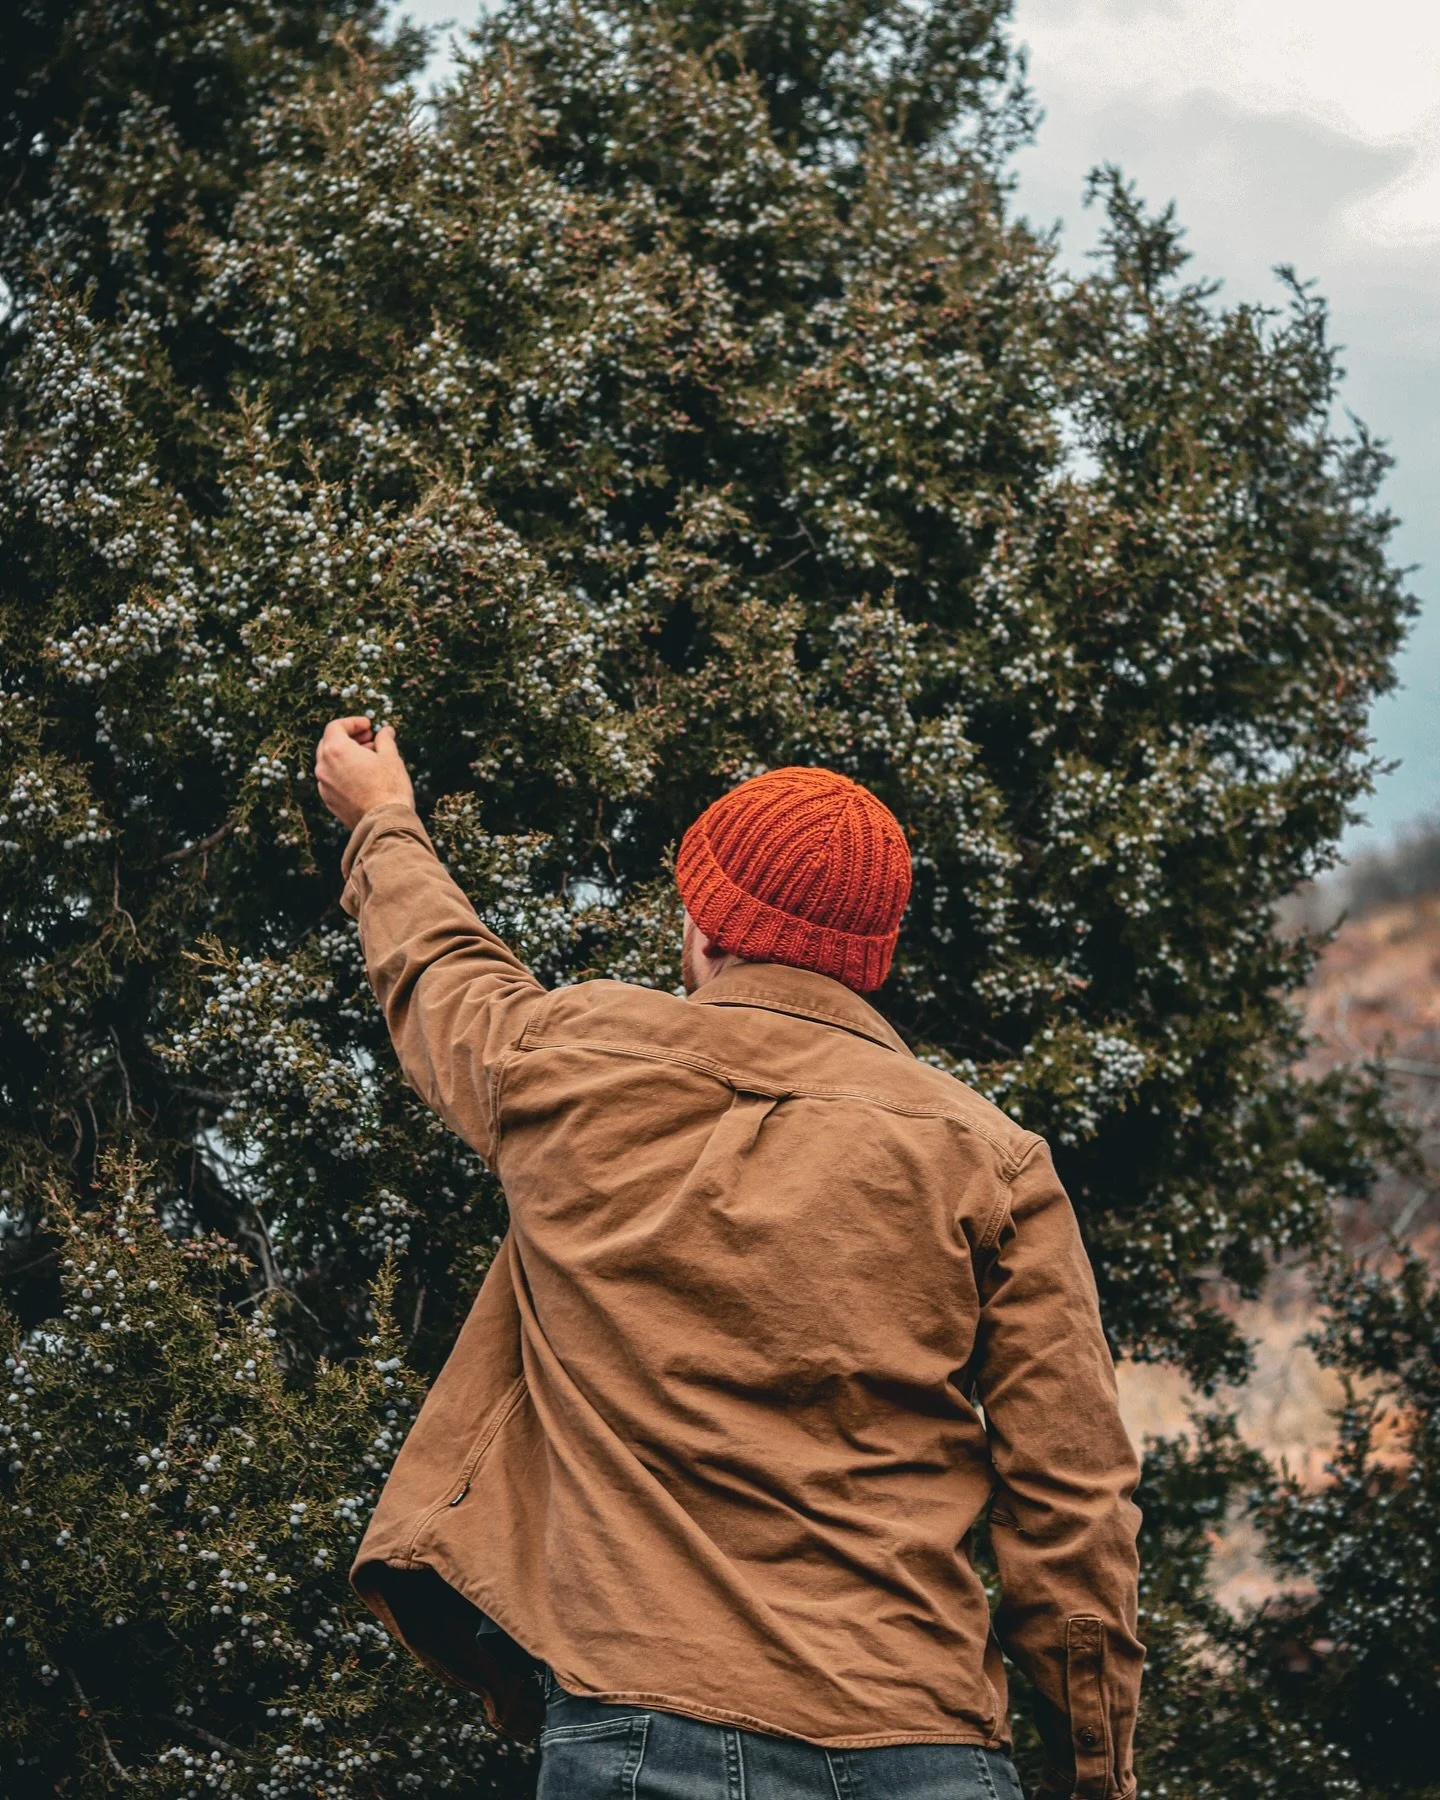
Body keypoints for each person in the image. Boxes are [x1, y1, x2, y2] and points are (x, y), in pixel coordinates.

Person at [314, 715, 1144, 1800]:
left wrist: (383, 819)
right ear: (871, 964)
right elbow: (1074, 1495)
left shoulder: (569, 1064)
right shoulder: (991, 1161)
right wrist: (1097, 1768)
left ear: (706, 927)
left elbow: (442, 975)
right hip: (924, 1742)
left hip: (643, 1728)